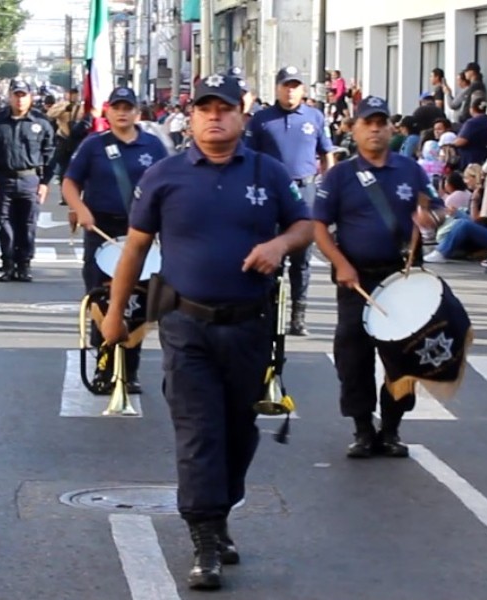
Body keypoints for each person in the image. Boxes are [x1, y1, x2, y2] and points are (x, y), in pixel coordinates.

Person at [100, 74, 311, 590]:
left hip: (249, 326)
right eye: (204, 108)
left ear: (243, 113)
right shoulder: (165, 176)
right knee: (199, 432)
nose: (214, 116)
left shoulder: (269, 171)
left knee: (239, 433)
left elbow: (304, 225)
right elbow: (135, 247)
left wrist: (280, 246)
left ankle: (218, 516)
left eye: (224, 107)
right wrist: (115, 312)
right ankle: (204, 539)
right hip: (185, 323)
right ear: (190, 117)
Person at [313, 96, 443, 458]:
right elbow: (320, 226)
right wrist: (339, 262)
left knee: (402, 358)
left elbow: (434, 208)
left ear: (390, 128)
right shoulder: (340, 175)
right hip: (356, 280)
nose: (374, 128)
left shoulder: (410, 169)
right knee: (352, 357)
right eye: (367, 122)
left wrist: (429, 217)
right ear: (353, 129)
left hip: (401, 278)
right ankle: (362, 427)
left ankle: (391, 428)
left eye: (380, 122)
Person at [62, 87, 168, 394]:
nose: (122, 112)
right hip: (102, 231)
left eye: (128, 107)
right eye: (116, 107)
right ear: (107, 112)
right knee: (102, 302)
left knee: (137, 303)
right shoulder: (93, 145)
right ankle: (104, 367)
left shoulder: (154, 145)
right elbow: (70, 181)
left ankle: (130, 371)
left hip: (142, 232)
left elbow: (168, 183)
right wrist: (80, 209)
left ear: (138, 112)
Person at [245, 65, 335, 336]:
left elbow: (326, 154)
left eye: (296, 85)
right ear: (277, 88)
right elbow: (248, 157)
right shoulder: (261, 120)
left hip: (304, 189)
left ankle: (298, 316)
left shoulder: (315, 117)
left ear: (303, 89)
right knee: (271, 255)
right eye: (286, 85)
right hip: (270, 193)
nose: (291, 90)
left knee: (302, 259)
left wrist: (326, 188)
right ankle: (269, 312)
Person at [0, 79, 55, 282]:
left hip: (30, 180)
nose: (19, 100)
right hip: (4, 181)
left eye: (23, 95)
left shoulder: (41, 122)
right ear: (9, 96)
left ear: (30, 97)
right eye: (16, 95)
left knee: (28, 225)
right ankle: (8, 263)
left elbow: (50, 154)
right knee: (5, 225)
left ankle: (24, 264)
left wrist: (45, 182)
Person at [452, 93, 487, 169]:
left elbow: (461, 141)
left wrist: (451, 144)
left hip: (470, 158)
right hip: (486, 156)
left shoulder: (471, 123)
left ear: (471, 109)